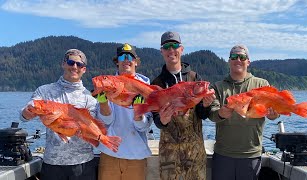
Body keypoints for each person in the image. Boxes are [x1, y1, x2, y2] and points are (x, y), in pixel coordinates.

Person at [20, 49, 111, 180]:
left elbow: (99, 123)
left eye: (79, 65)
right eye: (71, 62)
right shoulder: (45, 91)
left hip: (83, 164)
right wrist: (27, 112)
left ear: (84, 69)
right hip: (52, 164)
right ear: (63, 64)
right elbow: (24, 115)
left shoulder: (90, 98)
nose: (74, 67)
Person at [207, 45, 280, 180]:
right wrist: (220, 113)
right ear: (229, 61)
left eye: (242, 57)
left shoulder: (262, 84)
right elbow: (211, 114)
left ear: (248, 61)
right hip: (223, 154)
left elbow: (275, 110)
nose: (238, 60)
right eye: (234, 57)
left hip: (251, 155)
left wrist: (274, 115)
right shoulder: (217, 87)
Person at [152, 31, 215, 180]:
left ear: (182, 49)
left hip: (194, 151)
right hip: (169, 154)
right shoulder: (157, 83)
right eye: (166, 47)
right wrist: (163, 120)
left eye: (174, 45)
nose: (171, 50)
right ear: (161, 51)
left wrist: (206, 105)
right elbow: (156, 120)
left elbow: (202, 115)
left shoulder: (194, 78)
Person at [96, 43, 153, 180]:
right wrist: (103, 103)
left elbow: (144, 126)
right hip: (110, 152)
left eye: (130, 57)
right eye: (122, 57)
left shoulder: (146, 88)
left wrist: (138, 114)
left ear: (136, 62)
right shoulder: (108, 83)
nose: (126, 60)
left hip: (136, 156)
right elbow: (105, 122)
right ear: (117, 62)